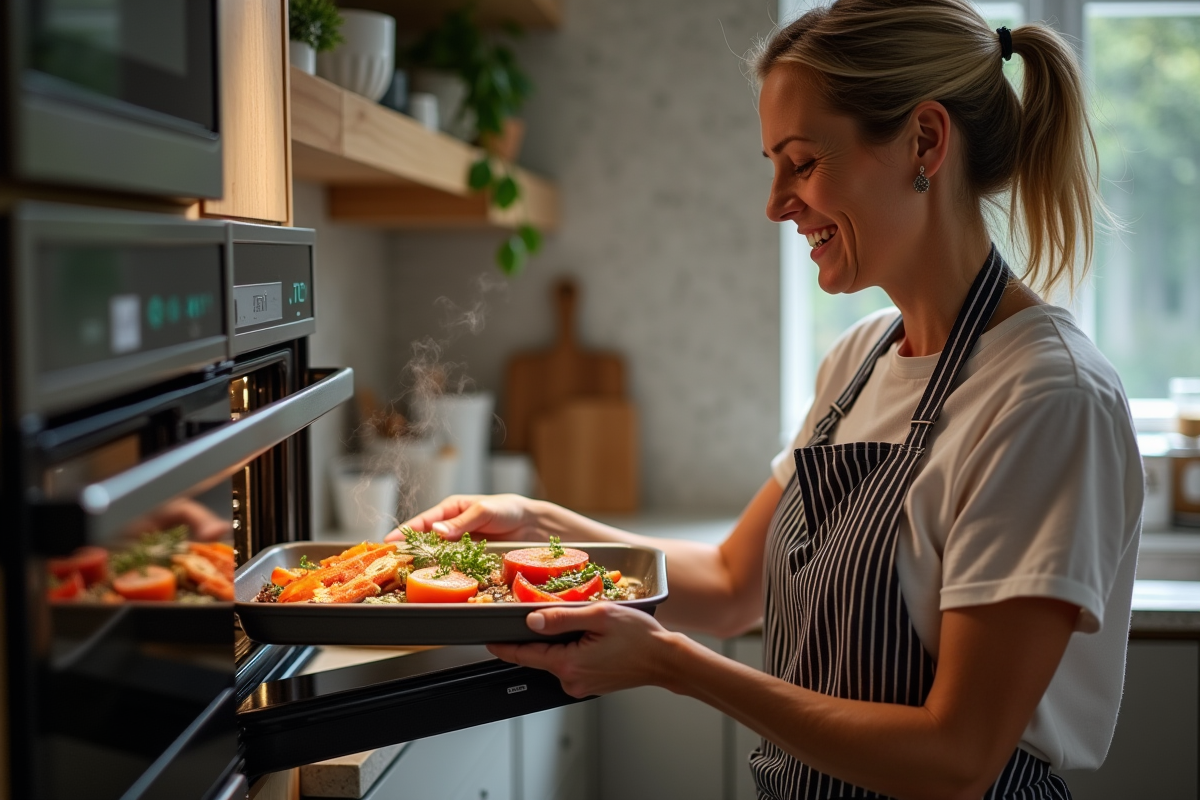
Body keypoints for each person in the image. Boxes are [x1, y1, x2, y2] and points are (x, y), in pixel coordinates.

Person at [388, 2, 1143, 797]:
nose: (776, 202)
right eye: (773, 164)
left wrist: (672, 665)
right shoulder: (860, 358)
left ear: (925, 140)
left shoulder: (1047, 397)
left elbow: (956, 756)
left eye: (803, 162)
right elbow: (726, 583)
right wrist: (539, 525)